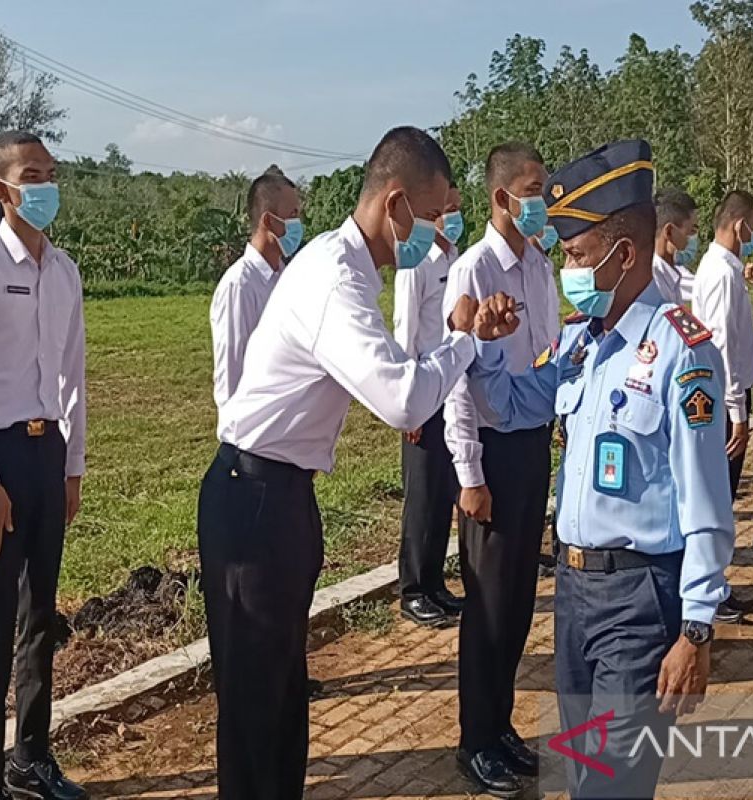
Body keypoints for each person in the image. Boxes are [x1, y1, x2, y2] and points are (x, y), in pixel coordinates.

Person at [201, 126, 478, 800]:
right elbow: (403, 399)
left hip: (281, 496)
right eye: (435, 215)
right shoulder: (334, 277)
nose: (441, 237)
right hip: (253, 500)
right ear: (394, 204)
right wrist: (463, 342)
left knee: (282, 696)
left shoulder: (347, 267)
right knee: (257, 709)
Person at [467, 139, 734, 800]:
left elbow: (708, 505)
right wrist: (482, 343)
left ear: (624, 253)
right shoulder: (579, 344)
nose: (567, 269)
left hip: (641, 602)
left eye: (578, 256)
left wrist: (696, 629)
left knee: (613, 785)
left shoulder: (683, 352)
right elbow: (513, 406)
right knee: (583, 774)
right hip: (575, 594)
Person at [0, 131, 88, 800]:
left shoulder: (64, 272)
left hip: (45, 452)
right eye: (32, 174)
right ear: (2, 189)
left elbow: (74, 374)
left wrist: (72, 465)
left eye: (51, 172)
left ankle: (34, 754)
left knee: (40, 618)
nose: (45, 185)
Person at [441, 142, 562, 795]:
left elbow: (547, 353)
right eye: (534, 187)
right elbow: (458, 383)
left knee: (517, 600)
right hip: (490, 453)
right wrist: (469, 475)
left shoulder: (540, 268)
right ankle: (474, 739)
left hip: (532, 444)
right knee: (486, 605)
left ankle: (501, 723)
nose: (543, 199)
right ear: (501, 198)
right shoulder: (474, 271)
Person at [393, 181, 465, 626]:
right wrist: (407, 399)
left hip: (449, 387)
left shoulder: (453, 258)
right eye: (445, 210)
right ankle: (413, 589)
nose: (453, 217)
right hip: (421, 388)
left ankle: (435, 582)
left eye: (457, 208)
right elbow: (405, 330)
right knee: (420, 494)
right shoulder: (414, 263)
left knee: (442, 490)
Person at [691, 190, 753, 622]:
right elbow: (720, 348)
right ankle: (708, 592)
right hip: (723, 398)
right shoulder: (720, 273)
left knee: (722, 497)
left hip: (728, 394)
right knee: (717, 500)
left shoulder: (726, 270)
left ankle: (716, 584)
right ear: (739, 226)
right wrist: (737, 411)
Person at [211, 171, 302, 413]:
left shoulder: (287, 277)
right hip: (253, 430)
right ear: (268, 222)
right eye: (292, 215)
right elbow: (231, 372)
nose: (298, 224)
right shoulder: (239, 286)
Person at [652, 188, 699, 305]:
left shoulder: (671, 274)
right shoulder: (653, 282)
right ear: (669, 232)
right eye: (691, 229)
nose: (694, 236)